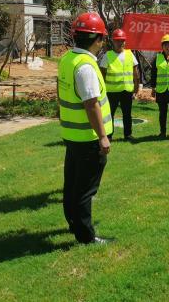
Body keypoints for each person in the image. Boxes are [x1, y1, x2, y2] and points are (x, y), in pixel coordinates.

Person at [58, 12, 113, 244]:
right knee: (85, 189)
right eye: (102, 38)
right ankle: (86, 236)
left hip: (72, 135)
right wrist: (103, 136)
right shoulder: (86, 67)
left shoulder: (67, 59)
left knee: (72, 183)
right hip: (88, 139)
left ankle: (74, 222)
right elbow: (91, 104)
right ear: (97, 39)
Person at [98, 29, 139, 141]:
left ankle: (128, 135)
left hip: (126, 90)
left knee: (127, 114)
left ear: (125, 41)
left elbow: (135, 71)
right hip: (112, 91)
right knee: (109, 114)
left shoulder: (130, 54)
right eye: (117, 40)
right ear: (113, 41)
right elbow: (102, 73)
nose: (120, 43)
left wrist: (136, 87)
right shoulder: (108, 55)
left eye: (122, 40)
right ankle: (109, 135)